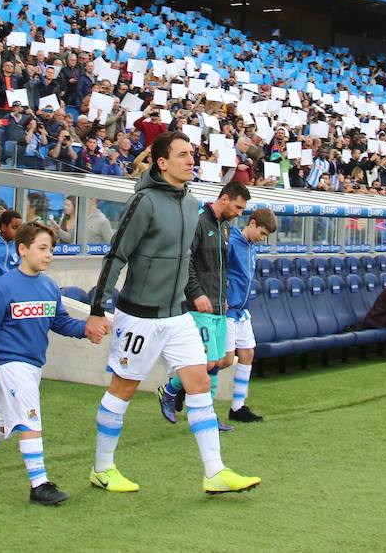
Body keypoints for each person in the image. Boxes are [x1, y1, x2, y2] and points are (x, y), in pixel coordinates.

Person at [85, 131, 260, 495]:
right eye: (183, 155)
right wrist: (97, 309)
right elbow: (116, 256)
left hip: (177, 316)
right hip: (140, 316)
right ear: (162, 163)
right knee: (123, 389)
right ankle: (102, 468)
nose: (191, 160)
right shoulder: (144, 202)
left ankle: (215, 472)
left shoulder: (191, 202)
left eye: (192, 154)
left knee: (198, 383)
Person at [0, 221, 99, 505]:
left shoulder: (49, 286)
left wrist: (87, 328)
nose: (48, 254)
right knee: (29, 419)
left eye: (51, 249)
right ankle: (39, 484)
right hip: (9, 364)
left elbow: (59, 322)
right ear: (22, 250)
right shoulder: (2, 287)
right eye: (42, 248)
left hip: (33, 365)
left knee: (2, 421)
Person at [158, 181, 251, 430]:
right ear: (224, 199)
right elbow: (185, 261)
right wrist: (196, 293)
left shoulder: (226, 228)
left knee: (220, 361)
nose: (240, 213)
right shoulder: (198, 223)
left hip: (220, 305)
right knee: (205, 363)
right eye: (238, 207)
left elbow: (221, 268)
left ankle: (203, 413)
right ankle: (169, 391)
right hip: (199, 305)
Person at [221, 207, 277, 423]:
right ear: (252, 223)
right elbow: (220, 269)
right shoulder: (232, 240)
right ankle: (176, 386)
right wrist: (222, 294)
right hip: (227, 309)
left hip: (242, 310)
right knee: (224, 360)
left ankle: (237, 407)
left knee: (247, 354)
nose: (263, 239)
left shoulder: (252, 246)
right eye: (262, 233)